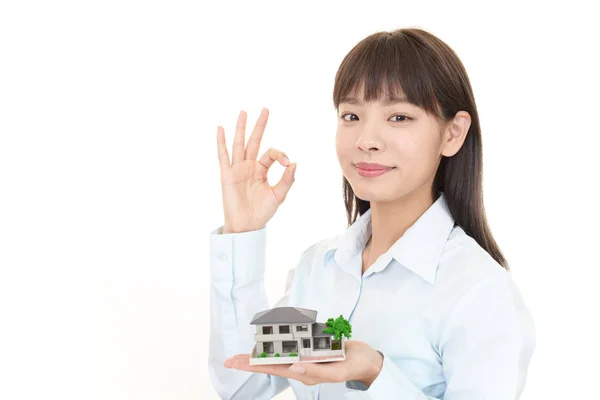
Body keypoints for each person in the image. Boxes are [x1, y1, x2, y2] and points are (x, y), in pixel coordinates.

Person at [209, 27, 536, 400]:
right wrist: (241, 232)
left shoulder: (478, 292)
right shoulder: (319, 269)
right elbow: (243, 380)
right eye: (351, 116)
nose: (366, 139)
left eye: (398, 117)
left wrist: (376, 372)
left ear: (453, 133)